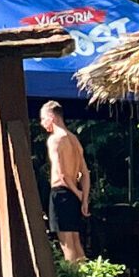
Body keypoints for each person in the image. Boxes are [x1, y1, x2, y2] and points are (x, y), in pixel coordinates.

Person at [39, 100, 90, 264]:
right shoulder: (74, 139)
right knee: (76, 241)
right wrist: (84, 198)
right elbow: (85, 173)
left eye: (43, 119)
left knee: (67, 244)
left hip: (61, 193)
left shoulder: (55, 139)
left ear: (51, 117)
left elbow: (62, 174)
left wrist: (78, 193)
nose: (42, 123)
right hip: (74, 195)